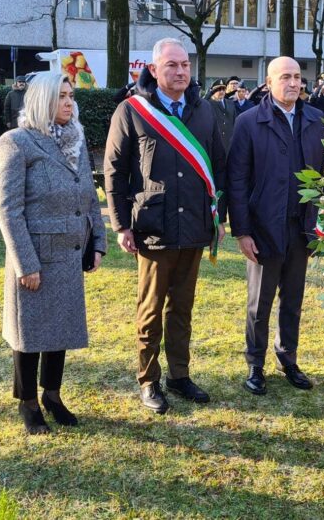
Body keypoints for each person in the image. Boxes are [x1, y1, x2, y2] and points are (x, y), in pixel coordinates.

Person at [104, 38, 226, 415]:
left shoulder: (205, 112)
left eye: (185, 65)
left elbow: (218, 169)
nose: (180, 72)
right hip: (153, 228)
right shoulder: (132, 111)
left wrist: (218, 217)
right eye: (171, 65)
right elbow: (115, 171)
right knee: (151, 309)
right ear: (154, 70)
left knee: (182, 309)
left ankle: (179, 375)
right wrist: (122, 224)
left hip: (193, 227)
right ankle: (148, 379)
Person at [0, 71, 105, 435]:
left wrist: (98, 241)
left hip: (70, 252)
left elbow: (89, 194)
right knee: (30, 335)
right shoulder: (17, 142)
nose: (69, 102)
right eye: (61, 96)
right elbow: (8, 209)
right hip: (36, 255)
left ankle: (53, 395)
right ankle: (28, 402)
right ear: (42, 100)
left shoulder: (75, 139)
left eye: (71, 95)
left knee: (60, 330)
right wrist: (25, 263)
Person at [227, 56, 324, 395]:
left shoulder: (315, 120)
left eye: (298, 77)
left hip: (302, 228)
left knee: (293, 299)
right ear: (269, 83)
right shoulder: (249, 122)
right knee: (260, 302)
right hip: (263, 228)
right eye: (286, 77)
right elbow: (237, 180)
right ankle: (255, 364)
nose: (294, 83)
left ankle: (288, 357)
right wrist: (242, 231)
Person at [208, 80, 237, 151]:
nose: (221, 92)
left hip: (229, 142)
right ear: (213, 91)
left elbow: (234, 121)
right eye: (218, 89)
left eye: (223, 89)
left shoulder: (230, 103)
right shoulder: (208, 104)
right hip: (215, 143)